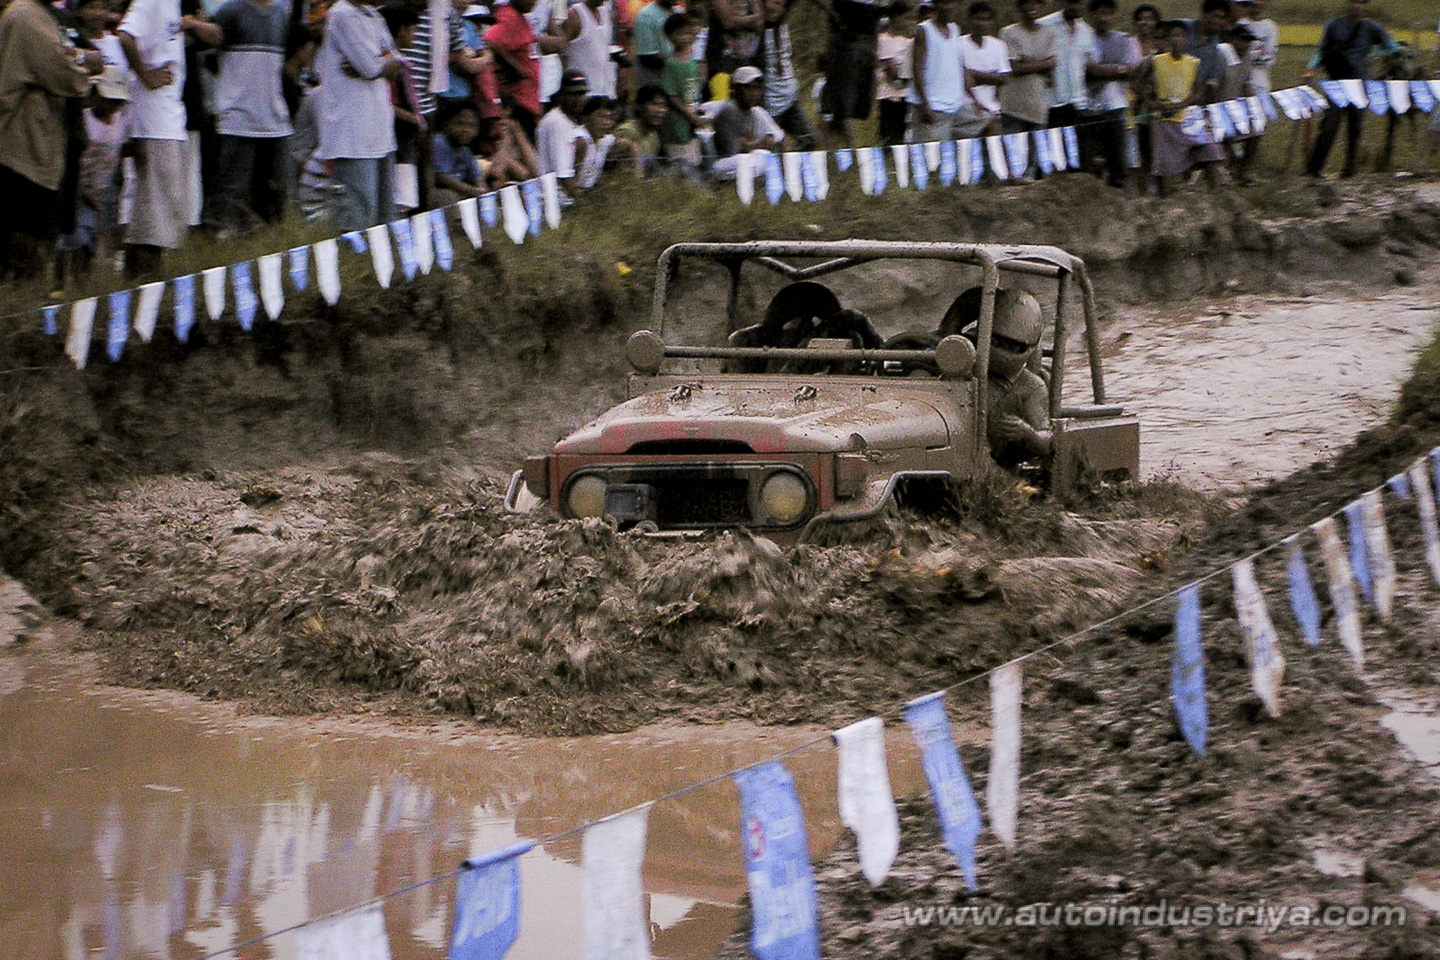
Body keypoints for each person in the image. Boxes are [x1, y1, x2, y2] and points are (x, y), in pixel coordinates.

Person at [0, 0, 103, 281]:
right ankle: (20, 303)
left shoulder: (39, 15)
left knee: (36, 229)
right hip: (23, 142)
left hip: (39, 139)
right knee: (24, 234)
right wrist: (86, 64)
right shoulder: (27, 15)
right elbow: (60, 71)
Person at [117, 0, 209, 276]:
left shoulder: (172, 5)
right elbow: (125, 36)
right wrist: (145, 76)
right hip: (154, 122)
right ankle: (145, 282)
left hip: (170, 118)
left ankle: (142, 282)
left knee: (164, 210)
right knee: (154, 214)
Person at [197, 0, 294, 231]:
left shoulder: (281, 14)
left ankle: (269, 241)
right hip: (238, 118)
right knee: (231, 189)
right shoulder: (231, 10)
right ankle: (220, 240)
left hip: (274, 118)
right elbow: (209, 55)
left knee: (279, 187)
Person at [315, 0, 405, 230]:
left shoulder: (374, 15)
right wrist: (380, 62)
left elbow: (398, 61)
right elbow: (371, 67)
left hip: (380, 129)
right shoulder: (342, 14)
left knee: (385, 219)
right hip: (352, 135)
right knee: (357, 220)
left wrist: (382, 60)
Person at [1304, 0, 1395, 178]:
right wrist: (1311, 67)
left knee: (1355, 127)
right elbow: (1322, 49)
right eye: (1354, 2)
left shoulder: (1371, 28)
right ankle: (1314, 169)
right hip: (1336, 82)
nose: (1357, 6)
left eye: (1361, 3)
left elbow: (1392, 47)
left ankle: (1349, 169)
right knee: (1329, 125)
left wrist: (1371, 55)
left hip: (1359, 83)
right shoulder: (1334, 25)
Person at [56, 68, 132, 281]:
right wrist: (81, 190)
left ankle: (83, 285)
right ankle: (60, 284)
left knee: (93, 239)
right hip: (78, 188)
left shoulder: (120, 122)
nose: (112, 106)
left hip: (103, 188)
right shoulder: (84, 120)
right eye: (109, 100)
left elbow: (121, 153)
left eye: (117, 102)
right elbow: (70, 160)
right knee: (73, 237)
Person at [1141, 18, 1222, 193]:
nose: (1176, 39)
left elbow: (1198, 91)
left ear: (1186, 39)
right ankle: (1166, 200)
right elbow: (1138, 82)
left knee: (1210, 150)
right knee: (1166, 165)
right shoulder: (1155, 61)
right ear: (1168, 39)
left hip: (1188, 117)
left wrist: (1184, 104)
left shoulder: (1193, 63)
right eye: (1173, 36)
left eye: (1180, 36)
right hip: (1163, 119)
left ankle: (1219, 196)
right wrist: (1152, 102)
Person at [983, 288, 1051, 467]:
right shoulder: (965, 369)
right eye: (998, 341)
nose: (1004, 350)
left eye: (1013, 346)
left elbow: (1047, 439)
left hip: (1001, 465)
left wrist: (1027, 433)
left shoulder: (1031, 386)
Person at [907, 0, 991, 141]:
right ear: (936, 5)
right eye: (945, 3)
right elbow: (917, 68)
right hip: (933, 105)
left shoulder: (954, 29)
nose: (950, 7)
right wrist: (925, 104)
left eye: (954, 3)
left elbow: (959, 66)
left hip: (955, 105)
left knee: (986, 118)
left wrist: (974, 98)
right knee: (931, 155)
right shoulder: (924, 30)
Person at [1080, 0, 1137, 188]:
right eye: (1099, 13)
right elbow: (1087, 71)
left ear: (1114, 16)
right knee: (1088, 162)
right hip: (1086, 107)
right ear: (1092, 15)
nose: (1103, 18)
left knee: (1117, 161)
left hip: (1115, 105)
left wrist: (1100, 70)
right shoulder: (1084, 38)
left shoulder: (1123, 40)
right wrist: (1114, 70)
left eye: (1107, 13)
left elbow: (1129, 71)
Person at [819, 0, 886, 145]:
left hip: (864, 41)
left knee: (860, 102)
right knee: (843, 101)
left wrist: (874, 50)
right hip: (845, 42)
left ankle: (838, 145)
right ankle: (849, 147)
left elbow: (877, 18)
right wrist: (834, 15)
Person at [758, 0, 815, 149]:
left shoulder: (782, 29)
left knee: (810, 140)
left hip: (789, 97)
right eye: (772, 2)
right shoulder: (757, 32)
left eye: (780, 4)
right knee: (773, 149)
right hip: (769, 101)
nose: (775, 8)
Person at [711, 63, 782, 176]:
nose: (754, 94)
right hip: (722, 163)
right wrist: (757, 144)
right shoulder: (729, 109)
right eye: (748, 88)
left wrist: (770, 138)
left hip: (743, 161)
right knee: (744, 161)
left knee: (764, 156)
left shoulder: (755, 111)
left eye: (757, 89)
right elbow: (733, 151)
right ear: (736, 90)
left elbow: (779, 136)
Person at [485, 0, 543, 139]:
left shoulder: (520, 18)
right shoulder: (510, 18)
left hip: (527, 102)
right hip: (517, 103)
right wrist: (516, 70)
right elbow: (489, 42)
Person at [997, 0, 1054, 135]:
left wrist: (1026, 60)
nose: (1032, 7)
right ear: (1020, 6)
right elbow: (1013, 68)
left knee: (1038, 153)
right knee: (1014, 153)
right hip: (1013, 107)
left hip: (1038, 106)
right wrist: (1041, 64)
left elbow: (1052, 65)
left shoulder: (1049, 33)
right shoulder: (1008, 33)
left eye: (1036, 3)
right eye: (1027, 3)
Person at [1037, 0, 1093, 129]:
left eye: (1079, 3)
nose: (1076, 7)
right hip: (1051, 101)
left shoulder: (1086, 30)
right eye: (1072, 2)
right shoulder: (1044, 25)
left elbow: (1086, 63)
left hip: (1078, 102)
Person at [659, 12, 704, 168]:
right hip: (678, 118)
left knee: (694, 156)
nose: (684, 37)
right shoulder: (671, 63)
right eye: (679, 34)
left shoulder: (691, 61)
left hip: (692, 112)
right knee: (681, 158)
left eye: (686, 32)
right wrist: (689, 114)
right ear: (670, 37)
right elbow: (670, 95)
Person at [1217, 23, 1259, 184]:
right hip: (1216, 108)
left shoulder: (1248, 57)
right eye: (1243, 40)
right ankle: (1222, 174)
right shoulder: (1221, 54)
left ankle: (1244, 172)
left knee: (1258, 128)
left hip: (1234, 108)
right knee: (1225, 139)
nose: (1246, 44)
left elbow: (1246, 85)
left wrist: (1255, 109)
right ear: (1232, 40)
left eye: (1249, 41)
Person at [961, 1, 1009, 136]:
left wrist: (973, 76)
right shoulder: (958, 44)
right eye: (979, 19)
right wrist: (990, 76)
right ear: (970, 20)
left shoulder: (998, 45)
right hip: (965, 110)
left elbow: (1003, 78)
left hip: (992, 109)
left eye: (987, 19)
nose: (982, 23)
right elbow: (960, 78)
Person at [535, 68, 589, 179]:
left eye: (581, 94)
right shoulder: (557, 123)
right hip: (557, 193)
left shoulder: (572, 121)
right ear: (562, 95)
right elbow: (563, 176)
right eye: (573, 94)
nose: (578, 99)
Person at [875, 0, 914, 145]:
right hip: (889, 95)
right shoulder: (884, 39)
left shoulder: (905, 41)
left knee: (902, 133)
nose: (906, 22)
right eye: (905, 18)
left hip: (904, 94)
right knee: (889, 134)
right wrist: (901, 78)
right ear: (895, 17)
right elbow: (890, 68)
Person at [431, 99, 486, 201]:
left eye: (471, 126)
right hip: (439, 192)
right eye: (460, 123)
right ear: (446, 123)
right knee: (447, 196)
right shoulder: (439, 142)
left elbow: (477, 177)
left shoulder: (465, 151)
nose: (465, 130)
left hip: (460, 192)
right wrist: (471, 190)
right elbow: (441, 177)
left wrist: (482, 190)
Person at [562, 0, 618, 98]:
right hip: (582, 93)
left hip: (606, 91)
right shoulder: (575, 15)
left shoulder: (607, 14)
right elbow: (561, 50)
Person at [615, 82, 668, 172]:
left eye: (663, 105)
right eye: (654, 104)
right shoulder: (626, 132)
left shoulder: (653, 136)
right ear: (640, 106)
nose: (660, 110)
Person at [631, 0, 681, 92]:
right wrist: (679, 64)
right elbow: (647, 58)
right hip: (655, 88)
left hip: (677, 86)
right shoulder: (645, 16)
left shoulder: (680, 12)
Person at [1233, 0, 1274, 95]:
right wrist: (1258, 52)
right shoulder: (1239, 24)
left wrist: (1250, 55)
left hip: (1260, 82)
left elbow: (1268, 58)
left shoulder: (1270, 27)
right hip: (1236, 81)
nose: (1257, 3)